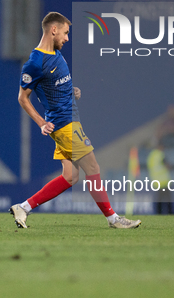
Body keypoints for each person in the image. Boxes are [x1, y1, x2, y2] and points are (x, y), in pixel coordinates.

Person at [9, 12, 141, 229]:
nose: (67, 38)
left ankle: (24, 207)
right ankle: (113, 219)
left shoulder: (57, 55)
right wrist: (41, 122)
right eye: (66, 32)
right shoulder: (35, 62)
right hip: (64, 125)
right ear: (54, 30)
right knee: (93, 166)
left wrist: (72, 92)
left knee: (70, 176)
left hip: (69, 121)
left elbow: (56, 86)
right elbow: (22, 98)